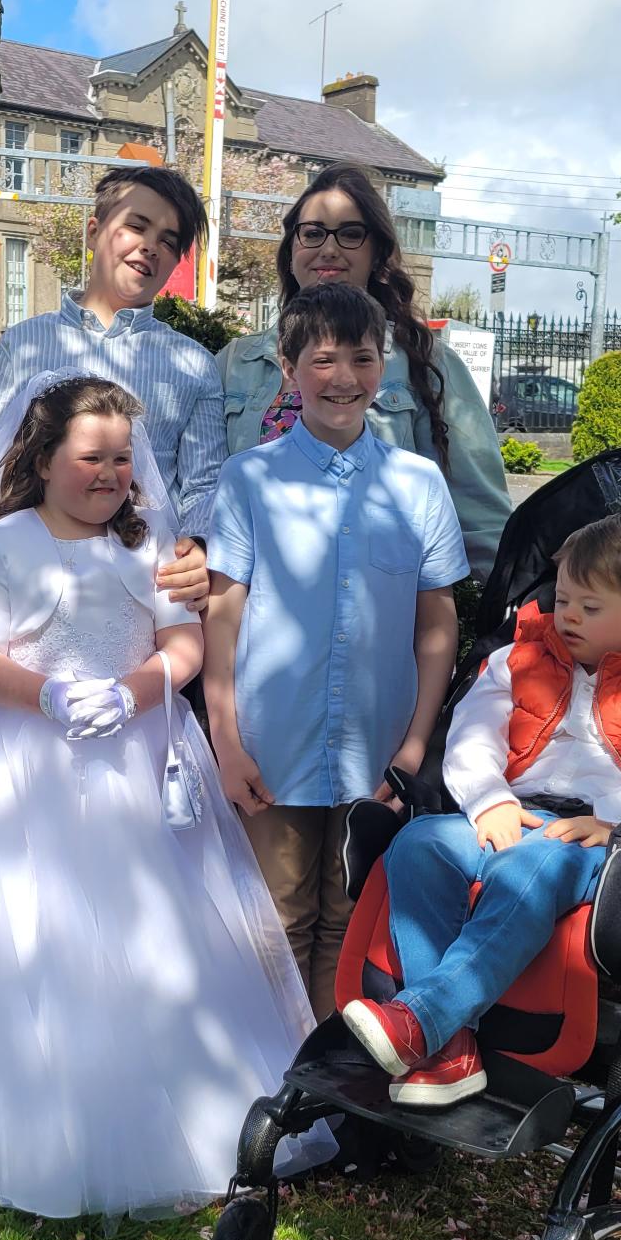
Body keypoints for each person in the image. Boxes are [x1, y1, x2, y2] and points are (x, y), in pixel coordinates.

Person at [0, 371, 328, 1220]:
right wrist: (53, 694)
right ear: (41, 460)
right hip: (36, 762)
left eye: (121, 461)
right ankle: (43, 1127)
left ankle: (176, 1106)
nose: (109, 476)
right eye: (89, 458)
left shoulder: (149, 548)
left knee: (156, 930)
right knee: (43, 929)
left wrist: (134, 690)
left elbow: (182, 645)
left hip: (140, 753)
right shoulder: (3, 544)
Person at [343, 514, 621, 1106]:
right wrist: (489, 800)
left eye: (590, 607)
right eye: (562, 599)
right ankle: (449, 1053)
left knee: (528, 869)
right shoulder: (520, 659)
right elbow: (473, 735)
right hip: (511, 810)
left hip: (608, 834)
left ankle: (420, 1022)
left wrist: (613, 818)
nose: (568, 615)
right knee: (420, 843)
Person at [204, 284, 467, 1020]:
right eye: (323, 359)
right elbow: (222, 614)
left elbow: (436, 624)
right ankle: (264, 1090)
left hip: (375, 754)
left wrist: (415, 746)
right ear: (287, 367)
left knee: (351, 922)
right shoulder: (249, 478)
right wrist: (225, 738)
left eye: (362, 357)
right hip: (272, 748)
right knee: (275, 922)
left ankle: (327, 1095)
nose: (344, 377)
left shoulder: (417, 485)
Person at [0, 165, 215, 617]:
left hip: (143, 595)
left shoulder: (194, 365)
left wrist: (200, 546)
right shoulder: (22, 345)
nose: (150, 246)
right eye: (136, 226)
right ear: (94, 230)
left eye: (168, 240)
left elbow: (203, 484)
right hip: (31, 588)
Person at [213, 163, 510, 580]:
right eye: (312, 233)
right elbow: (205, 496)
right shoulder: (234, 361)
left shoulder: (428, 361)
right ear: (292, 249)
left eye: (350, 234)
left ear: (376, 254)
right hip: (249, 609)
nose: (329, 249)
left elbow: (483, 521)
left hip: (377, 609)